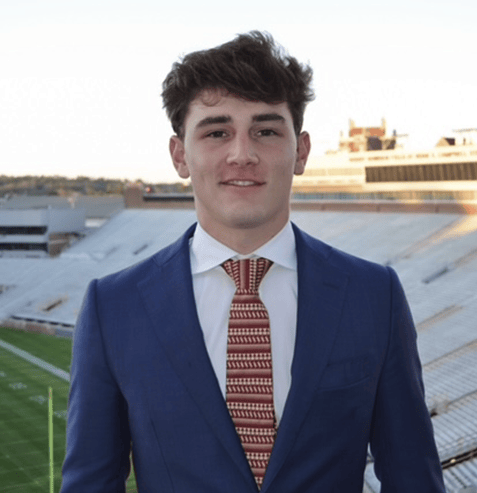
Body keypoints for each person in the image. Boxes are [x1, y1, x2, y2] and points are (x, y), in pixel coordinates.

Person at [61, 31, 445, 492]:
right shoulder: (113, 307)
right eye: (216, 132)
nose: (242, 154)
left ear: (301, 151)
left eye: (266, 131)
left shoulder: (374, 295)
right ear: (180, 155)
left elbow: (414, 477)